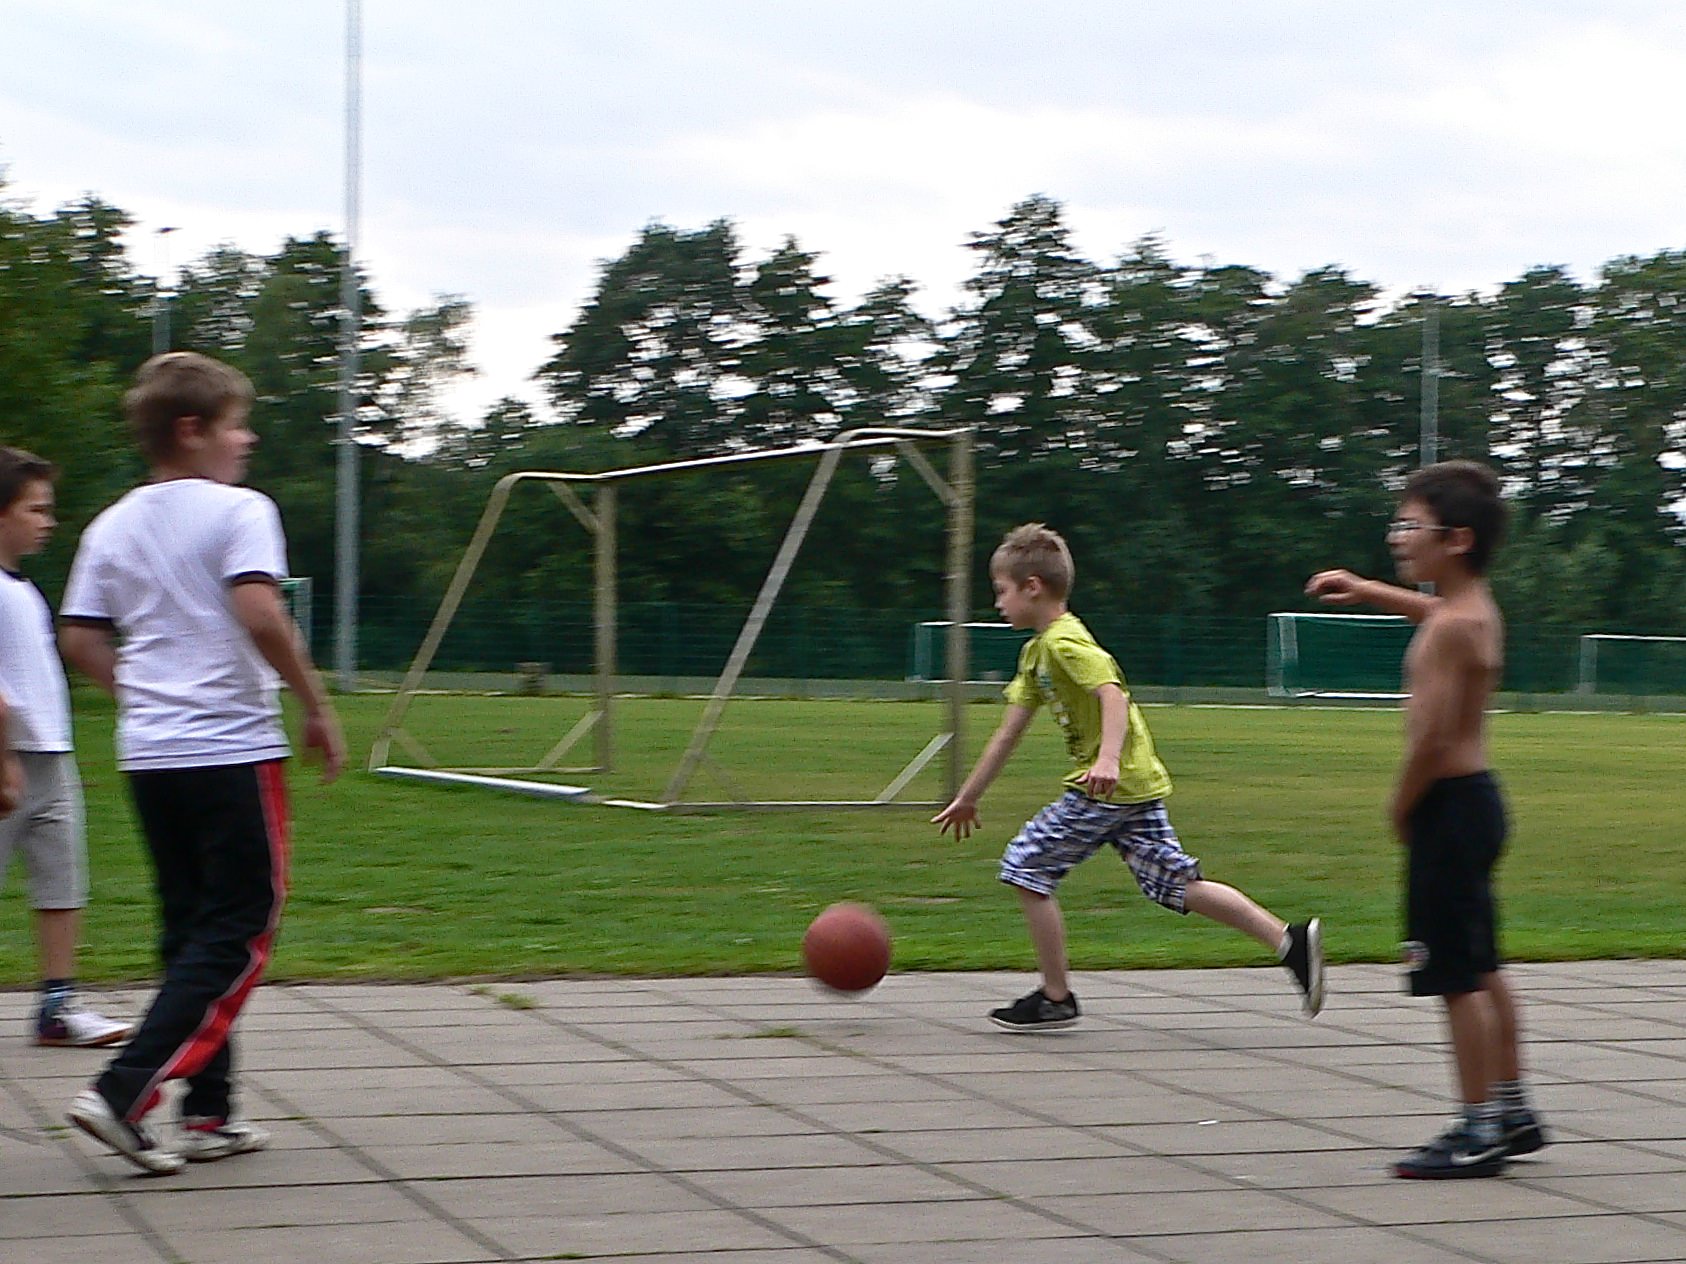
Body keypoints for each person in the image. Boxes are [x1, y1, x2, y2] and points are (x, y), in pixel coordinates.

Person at [58, 352, 345, 1176]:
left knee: (192, 929)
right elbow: (260, 610)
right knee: (242, 924)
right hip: (230, 748)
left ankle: (209, 1115)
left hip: (151, 754)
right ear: (192, 431)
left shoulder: (111, 524)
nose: (246, 440)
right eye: (235, 425)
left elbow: (79, 636)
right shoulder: (240, 510)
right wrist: (314, 702)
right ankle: (124, 1092)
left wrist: (145, 696)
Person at [935, 523, 1324, 1031]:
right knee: (1174, 883)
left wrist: (1108, 759)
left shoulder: (1065, 643)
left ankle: (1055, 996)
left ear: (1033, 587)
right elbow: (1007, 734)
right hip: (1132, 787)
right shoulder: (1036, 654)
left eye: (1001, 590)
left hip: (1107, 787)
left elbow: (1112, 693)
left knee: (1025, 866)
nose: (998, 603)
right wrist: (968, 797)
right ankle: (1290, 943)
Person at [1307, 458, 1546, 1179]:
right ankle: (1512, 1108)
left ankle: (1477, 1130)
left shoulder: (1448, 630)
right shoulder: (1475, 611)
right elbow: (1436, 615)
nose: (1397, 537)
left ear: (1457, 539)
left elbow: (1432, 742)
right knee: (1483, 964)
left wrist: (1400, 804)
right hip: (1479, 800)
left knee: (1453, 977)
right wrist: (1366, 590)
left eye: (1410, 525)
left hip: (1447, 801)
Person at [0, 447, 133, 1049]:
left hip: (51, 759)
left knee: (62, 886)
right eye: (35, 509)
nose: (48, 522)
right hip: (9, 761)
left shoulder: (22, 589)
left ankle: (57, 1007)